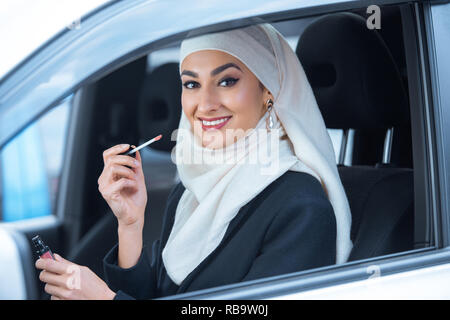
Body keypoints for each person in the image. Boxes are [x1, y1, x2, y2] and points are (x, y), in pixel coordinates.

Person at [35, 23, 353, 300]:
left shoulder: (302, 210)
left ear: (267, 90)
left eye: (227, 81)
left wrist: (103, 298)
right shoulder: (192, 190)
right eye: (191, 84)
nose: (206, 104)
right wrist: (130, 226)